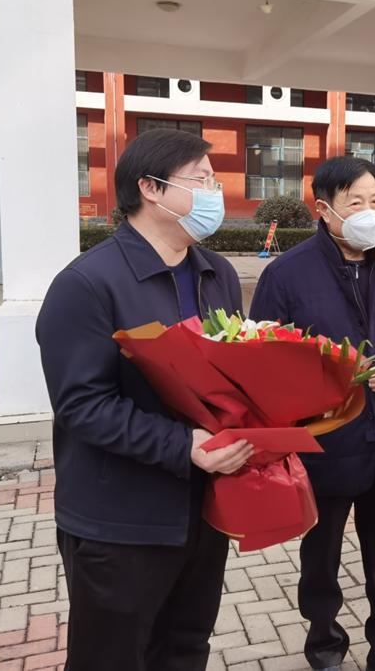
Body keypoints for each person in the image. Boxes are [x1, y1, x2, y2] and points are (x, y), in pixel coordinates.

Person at [36, 128, 253, 671]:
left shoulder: (217, 275)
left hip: (202, 512)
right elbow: (82, 405)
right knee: (111, 658)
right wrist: (184, 445)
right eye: (201, 180)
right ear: (150, 188)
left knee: (184, 649)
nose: (214, 193)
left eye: (214, 181)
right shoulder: (87, 284)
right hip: (120, 522)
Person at [249, 156, 375, 671]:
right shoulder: (287, 274)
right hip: (324, 445)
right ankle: (324, 645)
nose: (371, 212)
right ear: (324, 209)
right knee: (321, 561)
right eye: (356, 202)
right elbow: (262, 358)